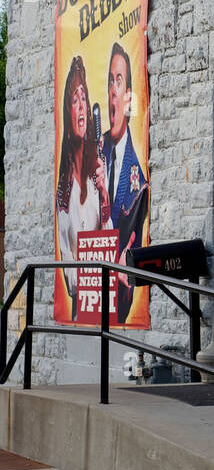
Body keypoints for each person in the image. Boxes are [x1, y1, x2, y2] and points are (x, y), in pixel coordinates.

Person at [56, 56, 110, 315]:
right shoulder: (64, 185)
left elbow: (109, 236)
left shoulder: (98, 168)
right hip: (82, 306)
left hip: (106, 301)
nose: (80, 106)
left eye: (83, 97)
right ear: (69, 109)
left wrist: (104, 194)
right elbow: (66, 256)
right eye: (74, 99)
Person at [103, 42, 148, 323]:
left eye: (119, 81)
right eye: (110, 80)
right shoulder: (94, 154)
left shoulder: (138, 183)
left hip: (118, 308)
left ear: (128, 96)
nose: (113, 90)